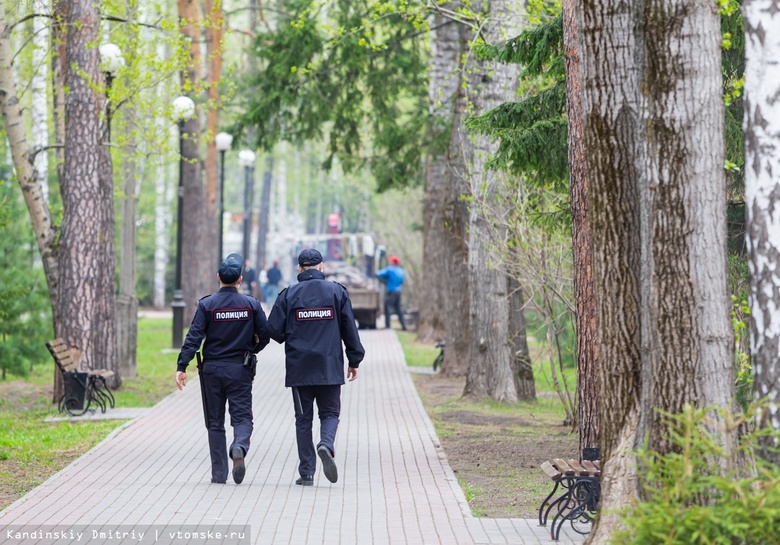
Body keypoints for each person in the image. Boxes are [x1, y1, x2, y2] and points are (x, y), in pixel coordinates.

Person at [266, 248, 365, 486]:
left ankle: (306, 473)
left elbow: (274, 331)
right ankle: (326, 444)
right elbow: (349, 328)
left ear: (300, 268)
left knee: (303, 419)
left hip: (300, 369)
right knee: (330, 413)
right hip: (329, 366)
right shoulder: (336, 292)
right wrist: (354, 359)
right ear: (322, 267)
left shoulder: (288, 295)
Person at [175, 253, 269, 485]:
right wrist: (252, 350)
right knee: (242, 417)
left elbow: (194, 337)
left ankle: (219, 475)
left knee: (215, 422)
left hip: (212, 371)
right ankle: (238, 446)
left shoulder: (207, 305)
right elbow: (266, 335)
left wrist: (182, 365)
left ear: (218, 277)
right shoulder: (251, 305)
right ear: (240, 280)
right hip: (240, 369)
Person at [376, 255, 407, 330]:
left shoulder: (389, 269)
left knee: (388, 307)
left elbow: (378, 274)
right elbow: (402, 281)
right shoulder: (401, 271)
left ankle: (387, 325)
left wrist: (384, 280)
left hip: (391, 291)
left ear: (393, 262)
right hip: (398, 291)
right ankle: (403, 325)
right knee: (399, 309)